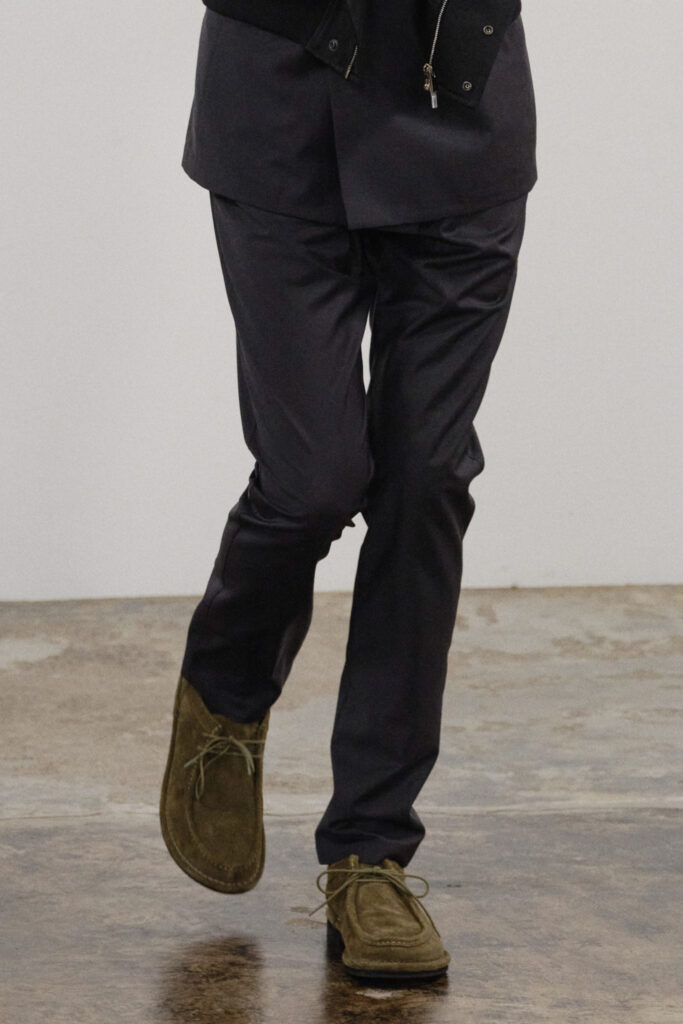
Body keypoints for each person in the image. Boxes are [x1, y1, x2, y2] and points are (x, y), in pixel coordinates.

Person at [160, 0, 537, 982]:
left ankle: (371, 854)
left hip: (458, 111)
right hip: (280, 109)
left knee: (425, 481)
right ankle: (224, 696)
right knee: (312, 480)